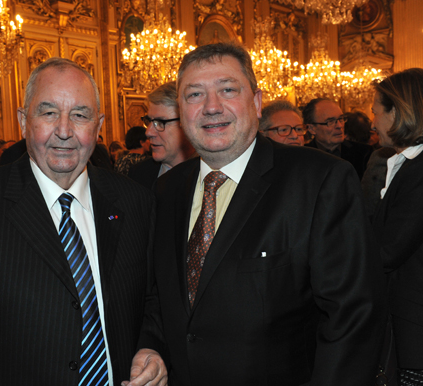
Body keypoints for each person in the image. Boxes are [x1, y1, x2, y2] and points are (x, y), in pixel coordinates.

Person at [136, 42, 385, 385]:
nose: (211, 107)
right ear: (181, 108)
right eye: (194, 95)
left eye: (227, 90)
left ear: (255, 101)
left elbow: (353, 317)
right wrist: (151, 348)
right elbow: (161, 297)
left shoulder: (319, 180)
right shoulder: (168, 189)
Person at [0, 57, 166, 385]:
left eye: (80, 114)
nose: (64, 130)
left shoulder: (135, 201)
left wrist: (151, 347)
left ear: (98, 126)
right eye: (48, 113)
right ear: (23, 121)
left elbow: (151, 299)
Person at [370, 68, 423, 386]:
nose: (373, 121)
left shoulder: (419, 170)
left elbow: (389, 249)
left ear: (397, 112)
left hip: (414, 323)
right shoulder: (406, 164)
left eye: (376, 111)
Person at [129, 81, 196, 189]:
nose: (148, 132)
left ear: (186, 124)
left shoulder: (209, 176)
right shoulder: (138, 174)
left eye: (160, 122)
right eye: (148, 121)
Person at [304, 98, 374, 179]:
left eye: (341, 119)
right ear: (312, 128)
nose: (339, 126)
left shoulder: (364, 153)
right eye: (330, 121)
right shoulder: (304, 156)